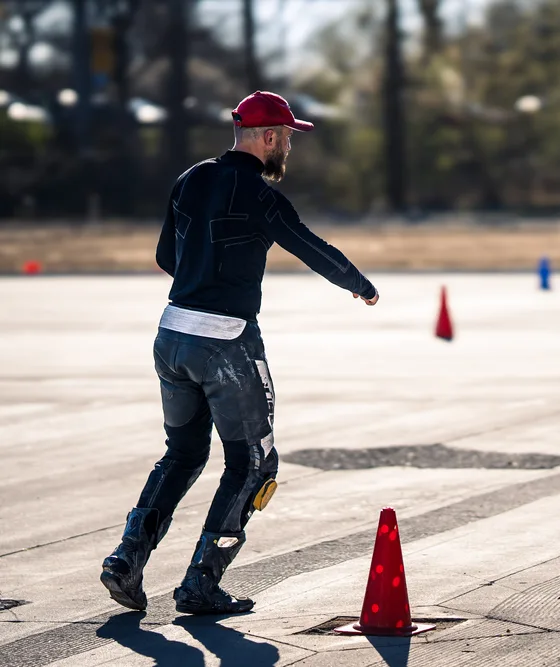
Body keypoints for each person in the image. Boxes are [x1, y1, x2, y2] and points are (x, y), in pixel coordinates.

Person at [100, 91, 379, 615]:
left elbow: (167, 255)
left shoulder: (190, 179)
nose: (289, 147)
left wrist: (201, 277)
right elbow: (309, 246)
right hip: (226, 341)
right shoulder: (259, 194)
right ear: (268, 136)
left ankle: (126, 558)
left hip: (171, 335)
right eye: (289, 138)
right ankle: (201, 583)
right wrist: (359, 284)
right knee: (254, 462)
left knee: (183, 454)